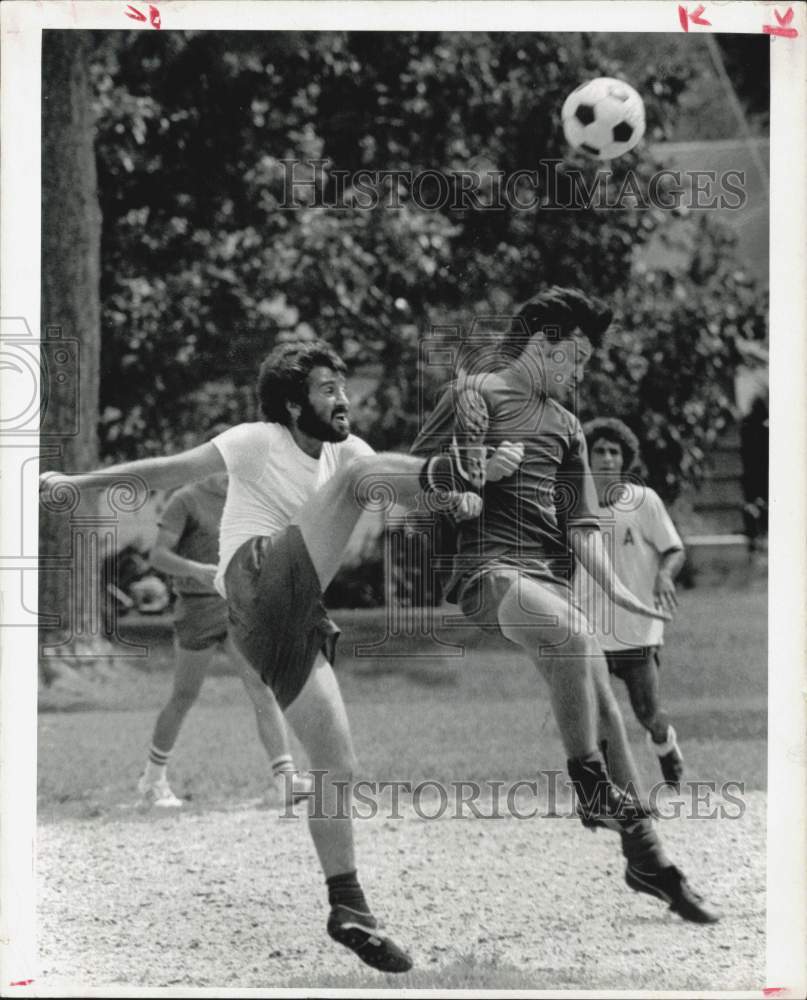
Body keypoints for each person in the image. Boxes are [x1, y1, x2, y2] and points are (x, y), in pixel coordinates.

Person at [40, 338, 480, 974]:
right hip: (253, 579)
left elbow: (398, 488)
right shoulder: (258, 440)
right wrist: (78, 486)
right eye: (328, 389)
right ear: (294, 406)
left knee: (336, 764)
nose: (343, 398)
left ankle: (348, 906)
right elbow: (168, 470)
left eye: (342, 386)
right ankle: (454, 469)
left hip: (287, 618)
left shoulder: (348, 454)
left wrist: (452, 497)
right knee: (362, 475)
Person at [411, 287, 718, 923]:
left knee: (604, 697)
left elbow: (581, 527)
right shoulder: (474, 394)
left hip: (548, 581)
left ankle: (649, 860)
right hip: (485, 572)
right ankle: (588, 788)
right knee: (578, 642)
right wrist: (463, 491)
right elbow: (417, 480)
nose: (580, 374)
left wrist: (619, 589)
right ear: (545, 344)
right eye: (575, 358)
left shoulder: (568, 427)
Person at [138, 467, 311, 809]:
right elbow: (158, 556)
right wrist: (195, 570)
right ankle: (152, 780)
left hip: (240, 609)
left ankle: (286, 782)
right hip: (197, 610)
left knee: (262, 689)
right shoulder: (186, 500)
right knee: (184, 695)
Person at [575, 418, 686, 790]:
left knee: (648, 713)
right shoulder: (573, 507)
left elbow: (674, 550)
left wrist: (665, 575)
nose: (607, 458)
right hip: (590, 632)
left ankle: (665, 745)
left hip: (638, 631)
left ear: (625, 458)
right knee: (598, 715)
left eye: (614, 451)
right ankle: (612, 789)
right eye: (600, 451)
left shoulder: (644, 501)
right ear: (587, 458)